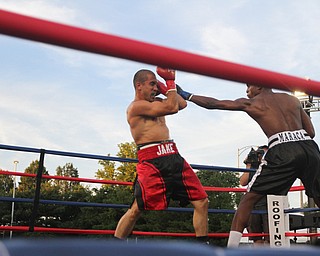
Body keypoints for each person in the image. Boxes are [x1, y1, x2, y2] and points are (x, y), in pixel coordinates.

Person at [176, 83, 320, 247]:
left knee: (247, 200)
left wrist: (187, 95)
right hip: (309, 148)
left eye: (249, 86)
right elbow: (312, 132)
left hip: (282, 148)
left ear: (259, 86)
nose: (246, 91)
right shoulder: (292, 99)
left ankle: (231, 249)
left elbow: (214, 103)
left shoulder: (252, 103)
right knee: (317, 196)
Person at [114, 68, 209, 243]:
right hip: (152, 160)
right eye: (152, 84)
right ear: (139, 85)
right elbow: (172, 107)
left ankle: (203, 247)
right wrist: (171, 83)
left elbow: (182, 104)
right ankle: (114, 248)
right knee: (136, 209)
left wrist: (165, 86)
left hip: (173, 156)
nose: (155, 88)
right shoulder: (136, 107)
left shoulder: (157, 102)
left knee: (202, 201)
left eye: (156, 85)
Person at [240, 146, 269, 246]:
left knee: (270, 236)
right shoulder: (252, 168)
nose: (262, 157)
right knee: (256, 237)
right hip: (254, 204)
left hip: (268, 204)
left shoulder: (272, 167)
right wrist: (248, 164)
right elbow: (243, 182)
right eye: (260, 154)